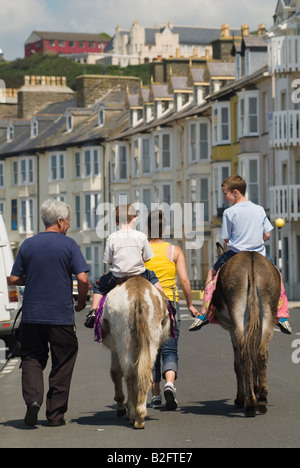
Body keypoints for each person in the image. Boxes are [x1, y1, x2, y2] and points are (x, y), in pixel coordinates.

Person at [8, 199, 89, 427]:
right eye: (68, 222)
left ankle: (33, 400)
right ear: (60, 221)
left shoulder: (27, 245)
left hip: (32, 316)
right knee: (63, 361)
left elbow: (14, 279)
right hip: (60, 316)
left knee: (31, 358)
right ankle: (55, 416)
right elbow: (83, 279)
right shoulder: (69, 245)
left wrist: (32, 277)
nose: (69, 226)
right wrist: (81, 303)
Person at [189, 175, 292, 334]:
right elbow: (267, 235)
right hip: (259, 253)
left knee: (212, 274)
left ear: (235, 192)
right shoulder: (259, 209)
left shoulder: (229, 212)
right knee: (277, 276)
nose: (224, 197)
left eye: (225, 193)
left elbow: (226, 238)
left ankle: (204, 312)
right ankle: (283, 316)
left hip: (235, 254)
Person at [145, 210, 200, 410]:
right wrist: (191, 305)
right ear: (164, 229)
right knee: (169, 349)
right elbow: (184, 280)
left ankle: (156, 395)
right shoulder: (173, 251)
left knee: (151, 350)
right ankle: (170, 383)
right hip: (169, 303)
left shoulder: (143, 251)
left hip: (147, 304)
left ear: (147, 229)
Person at [88, 204, 163, 316]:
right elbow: (147, 258)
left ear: (116, 222)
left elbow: (108, 260)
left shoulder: (112, 238)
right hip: (140, 274)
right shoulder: (141, 236)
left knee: (99, 286)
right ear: (135, 219)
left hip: (117, 277)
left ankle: (93, 310)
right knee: (153, 277)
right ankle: (167, 304)